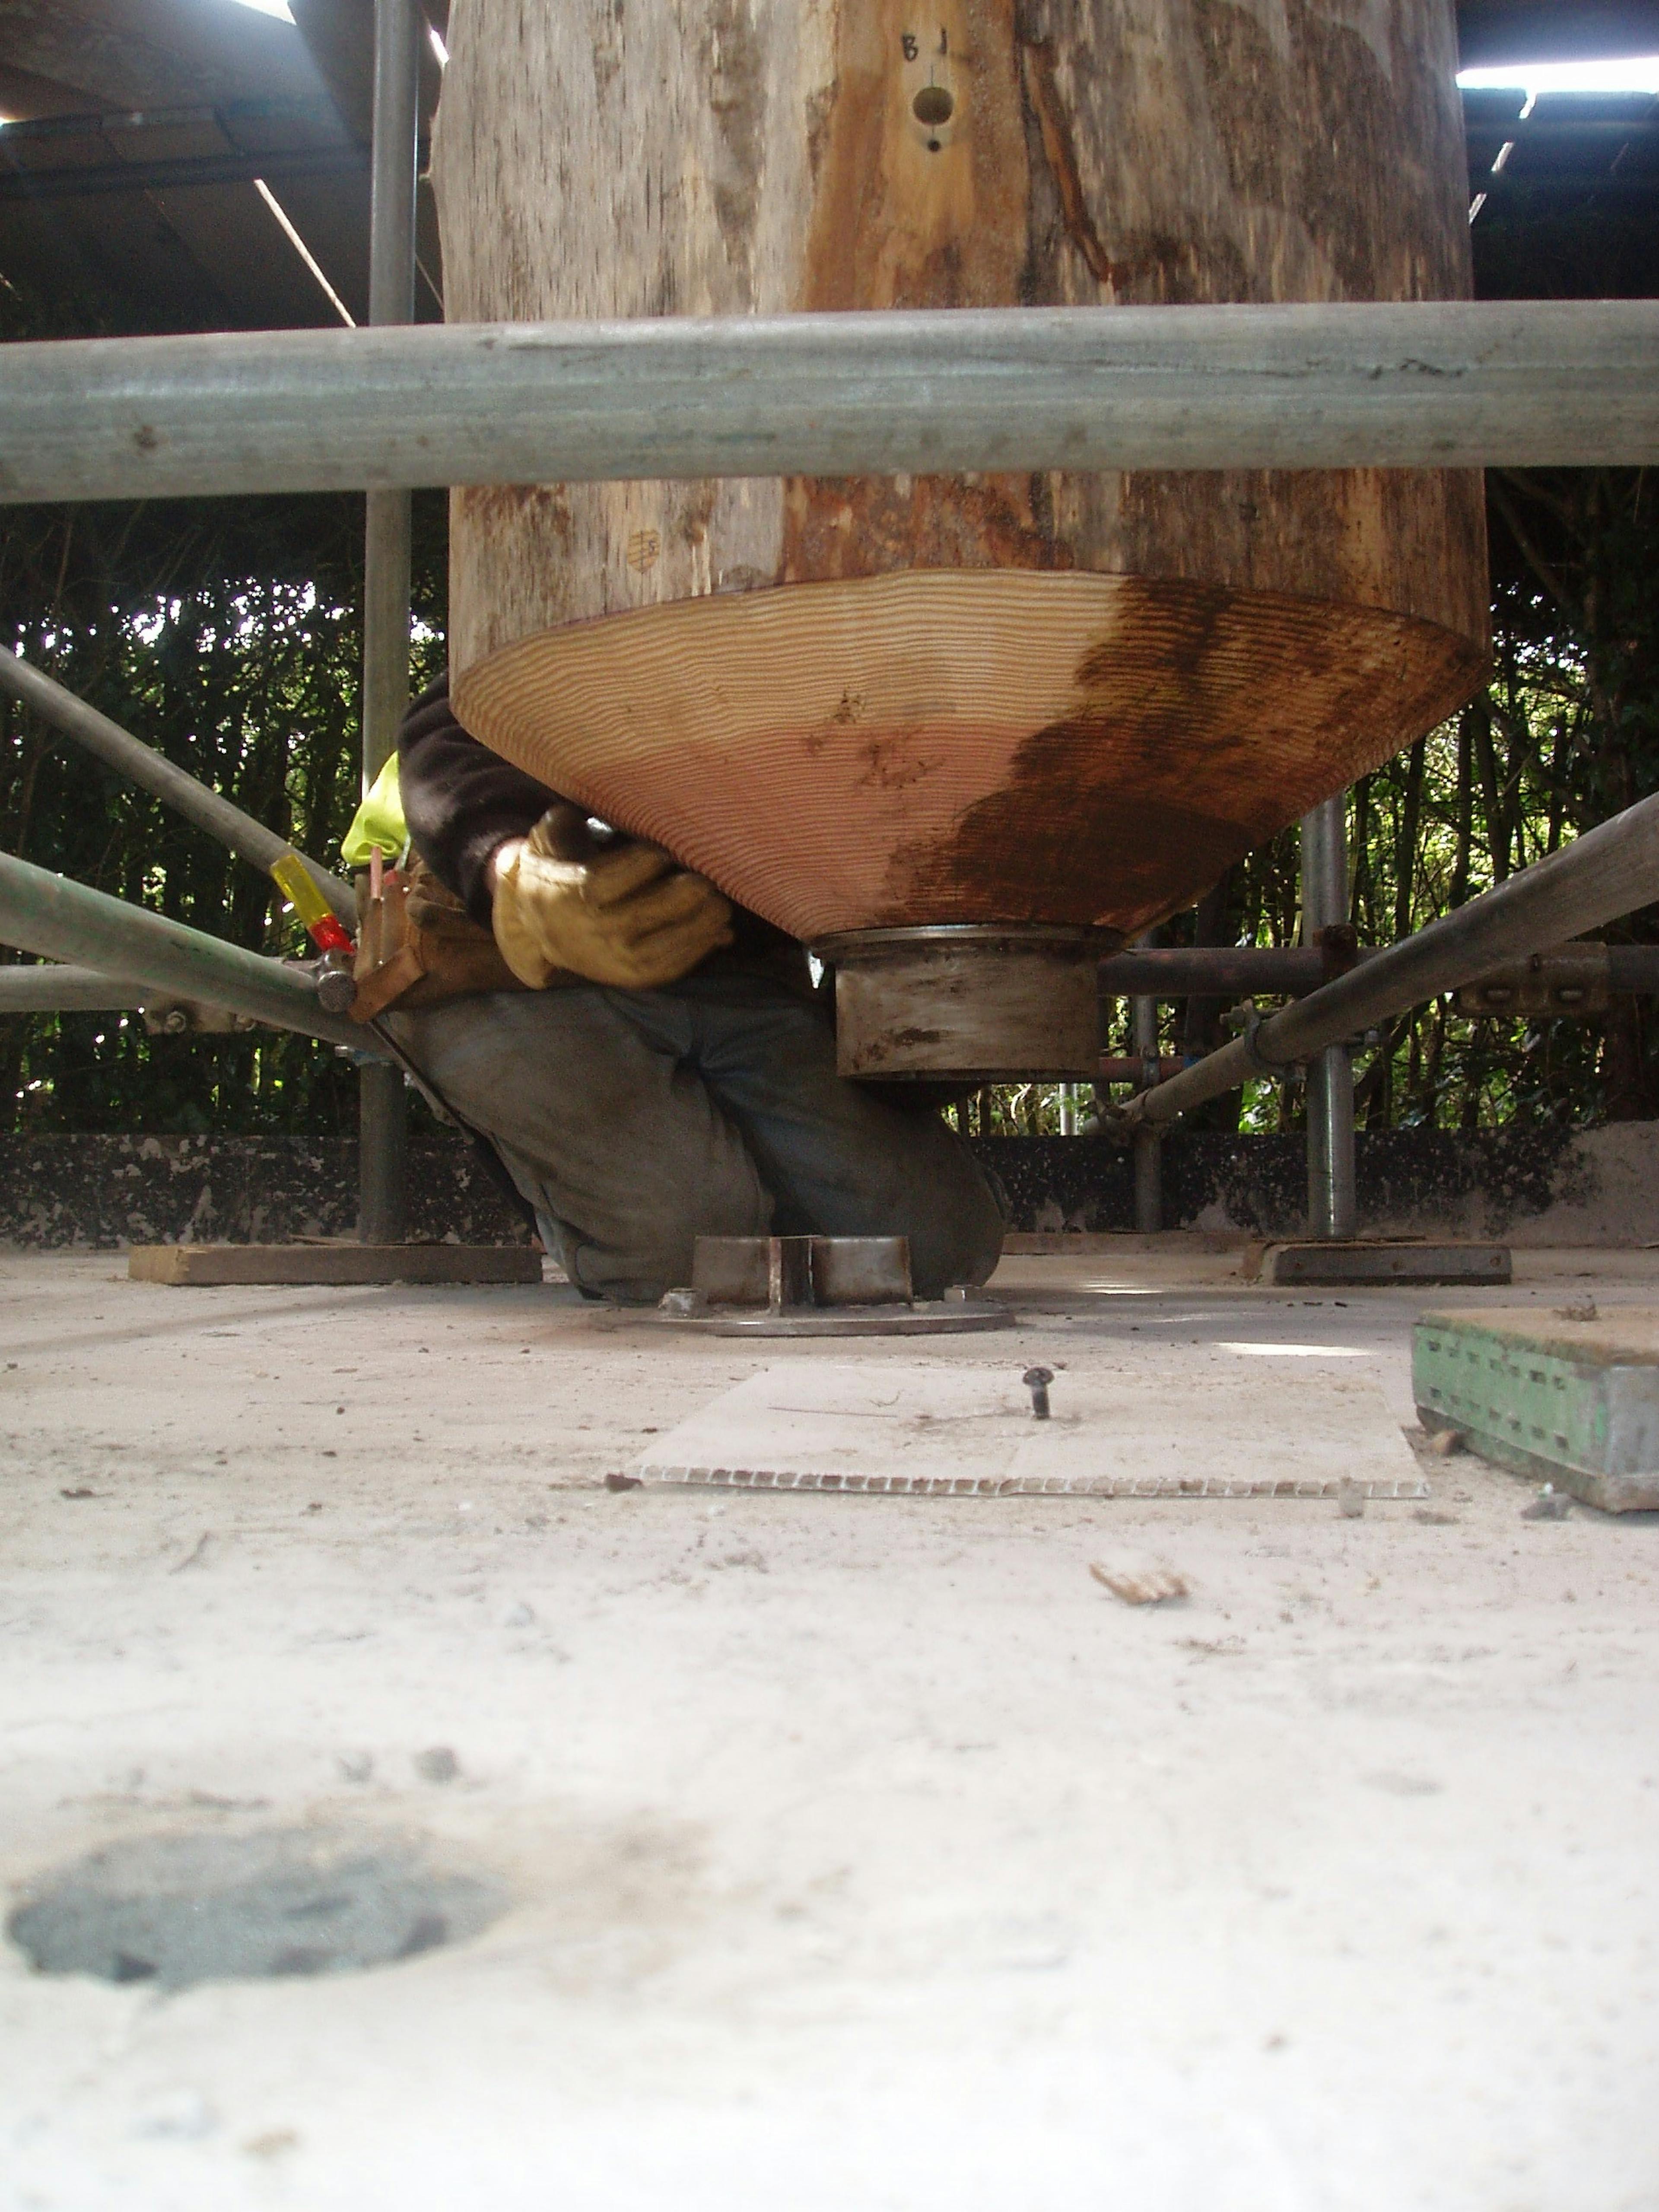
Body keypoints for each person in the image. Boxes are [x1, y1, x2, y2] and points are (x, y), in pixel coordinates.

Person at [365, 675, 1004, 1306]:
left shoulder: (866, 684)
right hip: (507, 967)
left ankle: (705, 1183)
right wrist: (508, 871)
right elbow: (457, 713)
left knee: (939, 1247)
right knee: (682, 1256)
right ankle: (599, 1202)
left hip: (732, 970)